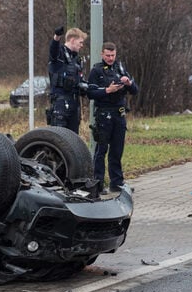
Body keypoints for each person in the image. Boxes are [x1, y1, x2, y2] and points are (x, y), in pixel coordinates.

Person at [86, 42, 138, 192]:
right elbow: (90, 93)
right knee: (101, 150)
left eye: (113, 55)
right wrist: (107, 90)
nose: (110, 58)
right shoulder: (96, 71)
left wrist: (128, 83)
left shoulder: (119, 68)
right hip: (104, 114)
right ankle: (98, 184)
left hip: (119, 113)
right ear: (102, 54)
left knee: (117, 150)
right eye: (107, 55)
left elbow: (135, 90)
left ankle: (116, 182)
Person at [47, 26, 88, 133]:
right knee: (60, 136)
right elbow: (53, 51)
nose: (82, 45)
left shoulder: (76, 59)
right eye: (80, 42)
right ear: (72, 40)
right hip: (61, 103)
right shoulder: (60, 54)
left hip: (74, 103)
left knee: (73, 138)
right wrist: (57, 37)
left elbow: (80, 81)